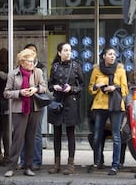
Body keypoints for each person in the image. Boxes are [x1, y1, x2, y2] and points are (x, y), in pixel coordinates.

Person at [3, 48, 47, 177]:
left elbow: (44, 87)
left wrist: (36, 89)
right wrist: (19, 93)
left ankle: (28, 166)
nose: (32, 64)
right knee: (17, 138)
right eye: (29, 61)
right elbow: (6, 92)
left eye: (33, 61)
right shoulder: (13, 74)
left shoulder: (37, 72)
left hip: (34, 108)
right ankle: (11, 166)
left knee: (31, 138)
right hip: (19, 109)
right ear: (22, 62)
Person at [87, 46, 128, 176]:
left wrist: (114, 88)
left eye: (114, 54)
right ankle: (97, 161)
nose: (112, 56)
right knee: (97, 135)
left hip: (116, 106)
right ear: (104, 56)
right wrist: (97, 86)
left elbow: (125, 90)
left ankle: (115, 165)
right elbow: (90, 89)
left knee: (116, 135)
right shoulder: (97, 70)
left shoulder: (120, 70)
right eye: (109, 54)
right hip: (100, 105)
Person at [47, 42, 84, 175]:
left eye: (70, 50)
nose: (68, 53)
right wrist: (54, 87)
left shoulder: (75, 66)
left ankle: (70, 164)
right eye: (65, 50)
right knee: (56, 133)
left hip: (71, 101)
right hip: (57, 101)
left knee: (70, 133)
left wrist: (72, 88)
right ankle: (56, 164)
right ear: (59, 52)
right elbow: (50, 84)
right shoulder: (55, 66)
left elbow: (82, 85)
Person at [19, 43, 47, 171]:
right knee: (22, 133)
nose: (31, 54)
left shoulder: (40, 69)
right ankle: (23, 160)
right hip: (22, 104)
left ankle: (36, 161)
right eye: (28, 52)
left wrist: (35, 89)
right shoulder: (18, 70)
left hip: (37, 103)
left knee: (36, 133)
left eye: (33, 52)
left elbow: (44, 86)